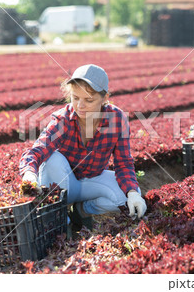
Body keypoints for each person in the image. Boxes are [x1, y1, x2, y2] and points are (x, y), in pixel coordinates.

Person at [19, 64, 147, 231]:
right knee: (52, 159)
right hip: (63, 184)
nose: (80, 105)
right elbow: (36, 153)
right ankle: (60, 218)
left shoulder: (117, 119)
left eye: (89, 100)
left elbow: (123, 163)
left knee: (126, 197)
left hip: (91, 181)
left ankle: (82, 210)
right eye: (75, 98)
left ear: (105, 97)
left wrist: (133, 193)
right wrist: (29, 174)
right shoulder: (63, 120)